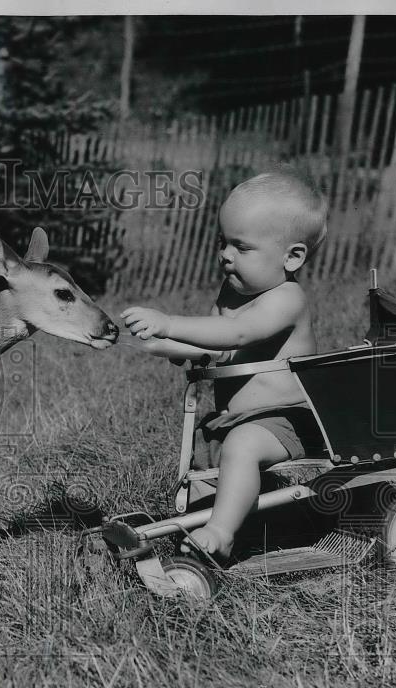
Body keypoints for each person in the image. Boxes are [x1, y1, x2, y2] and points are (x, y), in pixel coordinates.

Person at [120, 169, 328, 560]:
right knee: (216, 462)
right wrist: (168, 344)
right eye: (222, 242)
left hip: (287, 419)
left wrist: (169, 323)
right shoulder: (231, 295)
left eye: (241, 247)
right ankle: (233, 523)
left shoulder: (287, 298)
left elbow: (236, 335)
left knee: (243, 447)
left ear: (292, 256)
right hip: (234, 417)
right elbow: (219, 347)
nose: (224, 255)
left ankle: (222, 533)